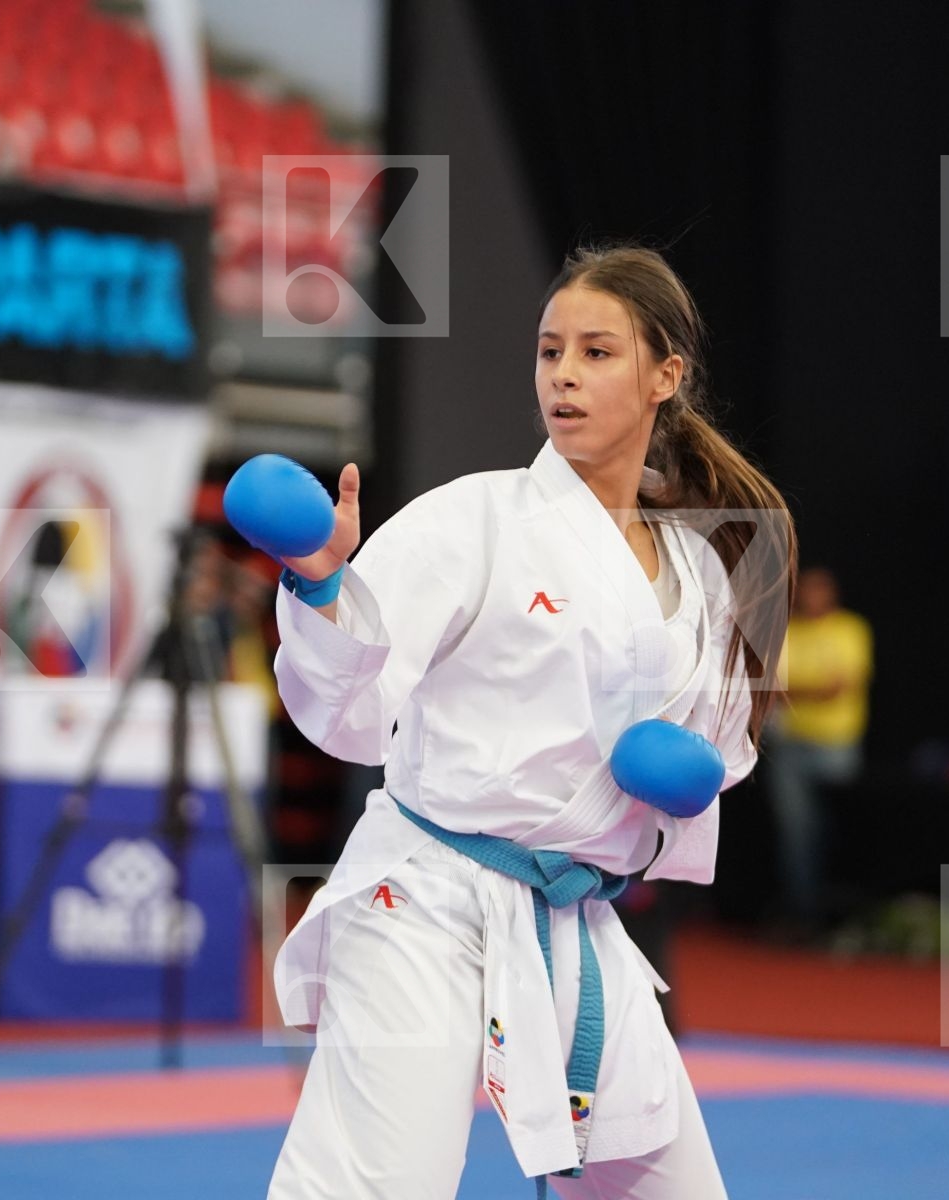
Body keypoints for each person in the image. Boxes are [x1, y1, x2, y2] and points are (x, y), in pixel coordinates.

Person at [264, 245, 795, 1198]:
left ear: (665, 376)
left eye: (597, 352)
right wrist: (323, 588)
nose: (564, 375)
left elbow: (720, 745)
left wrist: (697, 772)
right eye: (551, 351)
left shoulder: (699, 573)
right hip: (422, 897)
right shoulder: (476, 519)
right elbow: (351, 712)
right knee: (371, 1186)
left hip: (570, 916)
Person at [763, 565, 871, 925]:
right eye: (806, 590)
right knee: (796, 834)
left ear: (832, 594)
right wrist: (808, 690)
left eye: (819, 590)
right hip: (790, 749)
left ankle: (845, 915)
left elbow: (837, 688)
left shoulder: (850, 629)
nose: (812, 597)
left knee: (839, 830)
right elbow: (771, 690)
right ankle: (803, 913)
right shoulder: (786, 631)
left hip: (837, 749)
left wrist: (793, 692)